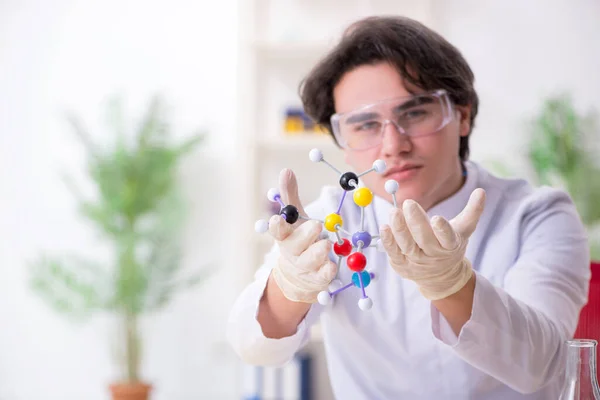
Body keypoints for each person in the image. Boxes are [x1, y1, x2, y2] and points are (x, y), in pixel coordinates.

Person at [226, 15, 591, 399]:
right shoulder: (329, 221)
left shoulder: (537, 216)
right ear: (341, 141)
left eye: (414, 113)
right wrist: (290, 285)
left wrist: (451, 283)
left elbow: (544, 365)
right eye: (365, 124)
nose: (392, 145)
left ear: (462, 114)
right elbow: (253, 345)